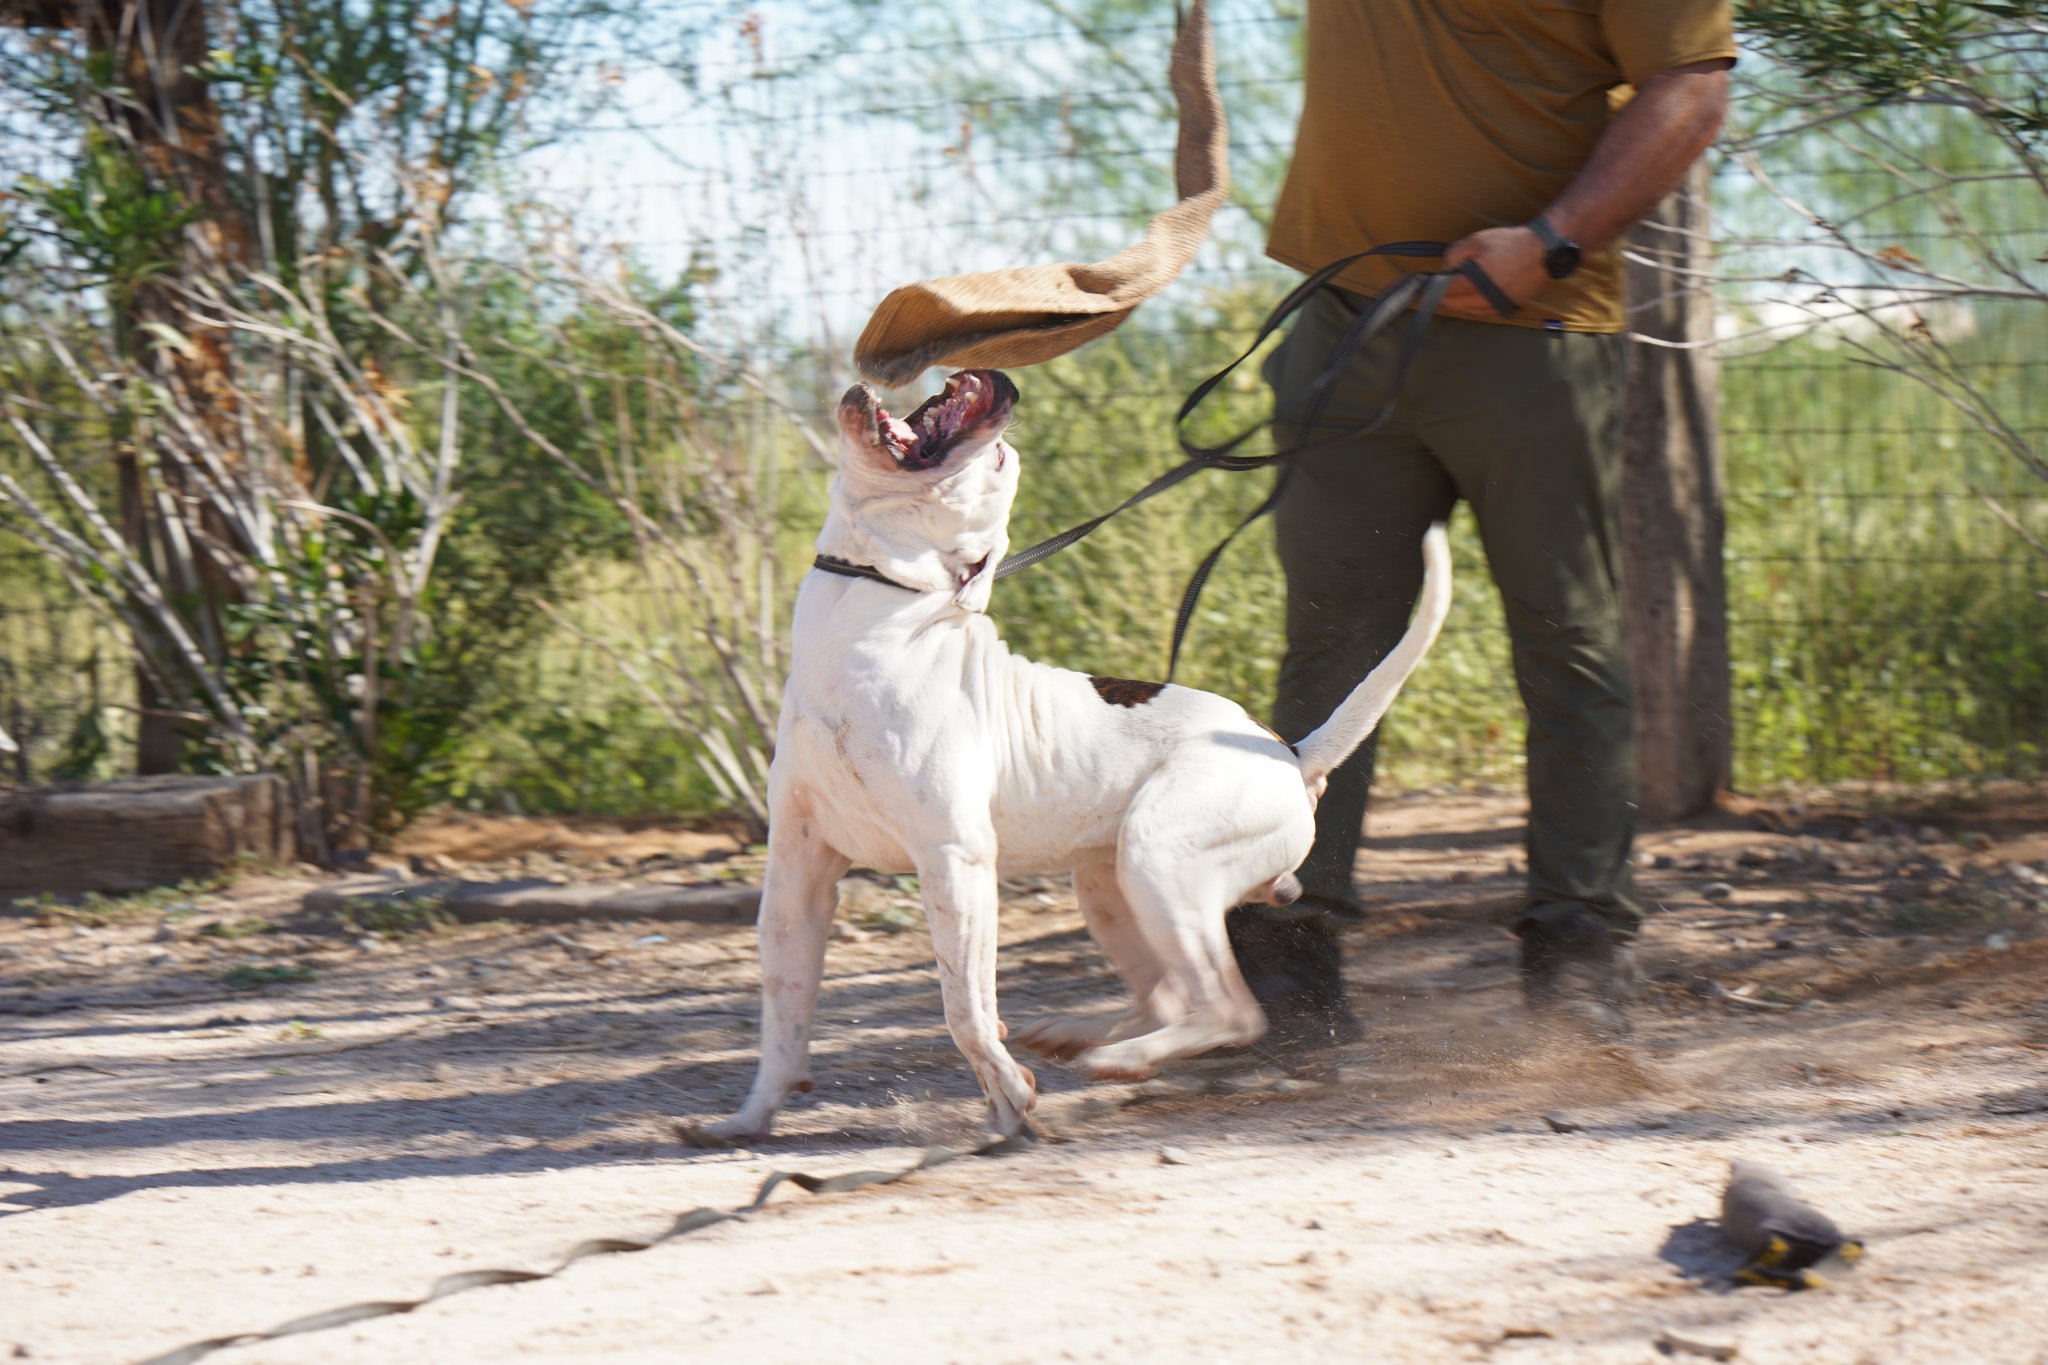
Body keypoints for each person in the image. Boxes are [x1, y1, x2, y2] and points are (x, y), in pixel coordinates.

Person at [1225, 1, 1736, 1045]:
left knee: (1569, 640)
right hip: (1341, 322)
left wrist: (1551, 244)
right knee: (1329, 642)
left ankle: (1576, 963)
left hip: (1532, 332)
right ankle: (1287, 972)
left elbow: (1688, 90)